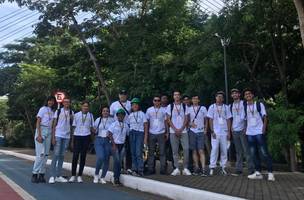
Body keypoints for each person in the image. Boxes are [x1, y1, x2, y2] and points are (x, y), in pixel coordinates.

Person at [243, 88, 275, 181]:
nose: (248, 95)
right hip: (250, 133)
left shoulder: (259, 104)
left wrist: (264, 128)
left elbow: (265, 117)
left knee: (264, 152)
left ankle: (270, 173)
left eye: (249, 93)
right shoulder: (245, 106)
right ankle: (258, 173)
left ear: (252, 95)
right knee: (253, 153)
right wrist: (245, 130)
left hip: (259, 131)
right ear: (245, 97)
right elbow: (245, 119)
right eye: (246, 94)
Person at [31, 96, 56, 183]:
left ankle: (41, 174)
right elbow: (38, 121)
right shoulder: (43, 109)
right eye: (50, 100)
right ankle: (34, 174)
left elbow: (53, 126)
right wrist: (39, 135)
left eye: (52, 101)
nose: (51, 102)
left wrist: (53, 136)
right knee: (40, 154)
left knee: (46, 154)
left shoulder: (53, 111)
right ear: (47, 101)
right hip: (41, 130)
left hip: (49, 131)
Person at [49, 97, 74, 184]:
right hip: (58, 135)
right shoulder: (58, 111)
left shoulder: (71, 112)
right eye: (65, 102)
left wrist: (71, 139)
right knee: (56, 155)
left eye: (68, 102)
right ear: (63, 103)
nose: (67, 103)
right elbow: (54, 125)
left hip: (66, 136)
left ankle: (58, 176)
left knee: (62, 156)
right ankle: (52, 176)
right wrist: (53, 137)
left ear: (70, 103)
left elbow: (72, 126)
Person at [166, 90, 191, 176]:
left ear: (180, 97)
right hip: (173, 131)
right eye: (175, 95)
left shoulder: (184, 106)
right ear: (173, 97)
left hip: (183, 131)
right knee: (175, 151)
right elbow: (168, 119)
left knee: (186, 149)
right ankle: (176, 168)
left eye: (178, 95)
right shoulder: (170, 106)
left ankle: (185, 168)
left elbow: (187, 119)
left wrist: (181, 129)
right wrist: (175, 129)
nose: (176, 96)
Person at [230, 89, 254, 175]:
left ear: (239, 94)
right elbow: (231, 118)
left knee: (246, 150)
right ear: (231, 96)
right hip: (235, 130)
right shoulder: (231, 105)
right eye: (233, 93)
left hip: (243, 129)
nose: (234, 94)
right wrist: (231, 128)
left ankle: (251, 169)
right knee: (238, 151)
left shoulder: (244, 103)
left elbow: (248, 115)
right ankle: (239, 169)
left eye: (236, 93)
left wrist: (246, 127)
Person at [69, 101, 94, 183]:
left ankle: (80, 175)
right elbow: (73, 128)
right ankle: (73, 175)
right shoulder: (76, 115)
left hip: (86, 137)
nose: (85, 107)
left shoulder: (90, 115)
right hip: (77, 136)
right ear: (81, 107)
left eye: (87, 106)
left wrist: (93, 138)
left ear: (88, 107)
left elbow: (92, 127)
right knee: (75, 156)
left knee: (83, 156)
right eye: (84, 106)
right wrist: (72, 141)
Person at [207, 91, 232, 176]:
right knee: (214, 149)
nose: (219, 98)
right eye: (218, 97)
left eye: (221, 97)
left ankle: (223, 167)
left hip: (224, 131)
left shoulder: (226, 107)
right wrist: (212, 131)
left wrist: (229, 132)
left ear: (223, 99)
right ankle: (212, 167)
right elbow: (210, 119)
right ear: (215, 98)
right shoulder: (212, 107)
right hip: (215, 132)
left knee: (224, 150)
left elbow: (228, 119)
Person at [110, 89, 132, 174]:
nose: (122, 96)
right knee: (118, 148)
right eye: (121, 94)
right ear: (119, 95)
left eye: (124, 94)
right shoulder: (114, 104)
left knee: (128, 148)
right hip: (117, 129)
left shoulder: (130, 104)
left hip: (127, 128)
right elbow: (111, 117)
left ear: (126, 95)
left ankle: (129, 167)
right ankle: (120, 166)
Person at [186, 95, 208, 176]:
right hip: (192, 131)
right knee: (194, 150)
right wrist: (189, 123)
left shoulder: (203, 108)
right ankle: (197, 168)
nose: (195, 100)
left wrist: (206, 129)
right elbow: (186, 120)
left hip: (201, 131)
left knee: (201, 150)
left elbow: (206, 120)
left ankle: (203, 169)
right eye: (193, 99)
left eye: (196, 99)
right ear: (191, 100)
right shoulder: (189, 109)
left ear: (198, 100)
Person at [146, 95, 167, 175]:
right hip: (151, 133)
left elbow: (166, 122)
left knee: (162, 152)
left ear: (160, 102)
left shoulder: (164, 110)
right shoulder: (149, 110)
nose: (157, 102)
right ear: (153, 101)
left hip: (161, 132)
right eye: (155, 100)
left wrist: (167, 132)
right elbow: (147, 122)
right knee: (151, 152)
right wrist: (147, 133)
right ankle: (151, 169)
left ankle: (163, 169)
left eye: (158, 100)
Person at [93, 106, 114, 184]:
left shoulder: (112, 121)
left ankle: (102, 177)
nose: (105, 112)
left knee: (106, 159)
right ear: (101, 112)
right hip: (99, 139)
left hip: (107, 141)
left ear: (109, 112)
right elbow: (94, 130)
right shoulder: (98, 120)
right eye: (104, 111)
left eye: (107, 111)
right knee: (100, 157)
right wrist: (94, 131)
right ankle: (96, 174)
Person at [108, 109, 129, 186]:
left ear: (124, 116)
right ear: (116, 116)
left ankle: (117, 178)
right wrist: (113, 144)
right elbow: (109, 134)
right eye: (119, 115)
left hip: (122, 145)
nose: (121, 116)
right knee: (117, 161)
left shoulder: (126, 125)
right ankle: (115, 178)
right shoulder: (113, 124)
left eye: (122, 115)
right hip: (115, 145)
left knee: (120, 163)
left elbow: (128, 135)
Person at [128, 98, 148, 176]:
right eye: (133, 105)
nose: (135, 106)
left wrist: (145, 137)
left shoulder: (142, 114)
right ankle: (134, 169)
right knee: (133, 152)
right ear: (131, 106)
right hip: (132, 133)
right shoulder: (130, 115)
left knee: (138, 152)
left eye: (136, 104)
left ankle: (140, 169)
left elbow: (146, 125)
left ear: (138, 106)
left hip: (140, 133)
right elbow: (128, 125)